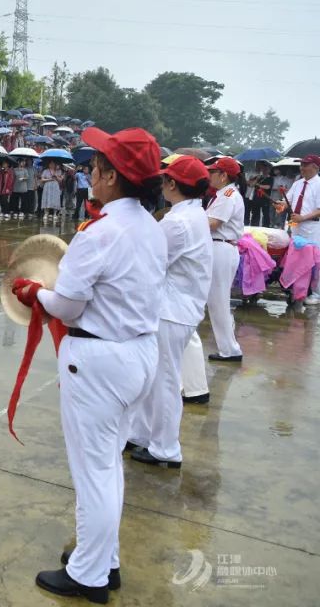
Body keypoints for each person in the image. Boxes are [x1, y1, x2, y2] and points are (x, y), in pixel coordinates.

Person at [11, 128, 166, 604]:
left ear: (112, 178)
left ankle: (89, 575)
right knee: (107, 467)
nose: (90, 175)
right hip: (138, 353)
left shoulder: (100, 233)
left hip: (99, 360)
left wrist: (34, 292)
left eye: (96, 168)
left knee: (94, 472)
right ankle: (104, 560)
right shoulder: (150, 227)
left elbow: (69, 306)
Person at [128, 156, 213, 469]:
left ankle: (165, 448)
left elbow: (150, 260)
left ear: (173, 185)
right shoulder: (190, 213)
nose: (161, 184)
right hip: (177, 307)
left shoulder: (178, 222)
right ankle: (140, 434)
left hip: (172, 310)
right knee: (154, 378)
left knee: (163, 380)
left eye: (165, 179)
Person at [204, 157, 246, 362]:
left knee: (218, 301)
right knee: (217, 300)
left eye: (213, 172)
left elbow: (213, 223)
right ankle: (229, 347)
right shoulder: (222, 194)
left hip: (221, 246)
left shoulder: (228, 194)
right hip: (219, 246)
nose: (209, 175)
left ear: (223, 175)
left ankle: (229, 350)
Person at [284, 154, 320, 305]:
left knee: (315, 261)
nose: (302, 168)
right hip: (295, 226)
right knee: (296, 258)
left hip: (312, 227)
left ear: (315, 167)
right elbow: (288, 201)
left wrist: (303, 218)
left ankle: (316, 293)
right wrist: (280, 204)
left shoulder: (319, 184)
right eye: (301, 165)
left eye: (305, 165)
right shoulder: (298, 183)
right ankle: (297, 288)